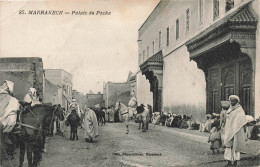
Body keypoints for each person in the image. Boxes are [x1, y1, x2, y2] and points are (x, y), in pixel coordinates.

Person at [223, 95, 247, 166]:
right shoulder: (229, 109)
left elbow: (242, 120)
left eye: (234, 101)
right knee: (228, 145)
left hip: (237, 130)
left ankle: (235, 162)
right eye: (231, 101)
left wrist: (237, 126)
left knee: (236, 146)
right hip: (229, 129)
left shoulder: (239, 109)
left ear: (237, 102)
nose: (232, 102)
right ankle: (229, 161)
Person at [0, 81, 19, 164]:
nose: (1, 85)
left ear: (8, 88)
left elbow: (3, 112)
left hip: (4, 121)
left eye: (4, 85)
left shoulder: (9, 98)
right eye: (2, 84)